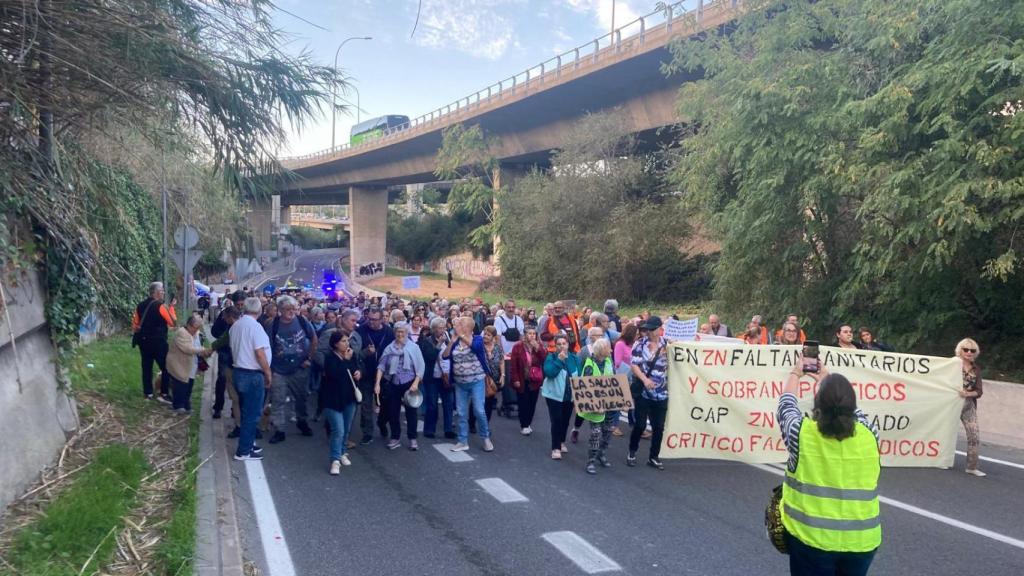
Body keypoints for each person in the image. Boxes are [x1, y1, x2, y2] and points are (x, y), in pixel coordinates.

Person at [778, 364, 881, 575]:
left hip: (812, 540)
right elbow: (855, 413)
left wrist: (796, 373)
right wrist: (827, 378)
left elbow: (786, 406)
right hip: (862, 541)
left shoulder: (801, 433)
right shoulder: (870, 433)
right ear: (852, 404)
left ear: (817, 404)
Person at [267, 295, 318, 444]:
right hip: (279, 370)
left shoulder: (302, 321)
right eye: (287, 309)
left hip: (300, 369)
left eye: (293, 309)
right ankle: (279, 429)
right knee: (278, 400)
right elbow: (267, 345)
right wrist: (269, 368)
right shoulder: (273, 325)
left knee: (301, 398)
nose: (291, 312)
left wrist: (309, 358)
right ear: (280, 310)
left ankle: (302, 422)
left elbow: (314, 339)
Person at [230, 297, 273, 461]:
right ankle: (244, 451)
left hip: (239, 371)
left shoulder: (236, 325)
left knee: (246, 410)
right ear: (260, 310)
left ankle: (247, 442)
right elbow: (260, 353)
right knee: (252, 414)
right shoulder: (255, 327)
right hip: (252, 374)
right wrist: (268, 372)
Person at [443, 316, 494, 452]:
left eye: (460, 324)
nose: (457, 326)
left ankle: (486, 437)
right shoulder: (455, 341)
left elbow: (476, 348)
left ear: (468, 327)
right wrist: (452, 341)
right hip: (460, 383)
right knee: (461, 412)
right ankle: (462, 440)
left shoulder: (477, 339)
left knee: (479, 410)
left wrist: (461, 336)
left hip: (476, 381)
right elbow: (445, 356)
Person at [374, 321, 425, 451]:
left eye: (402, 332)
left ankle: (412, 439)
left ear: (407, 333)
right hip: (393, 383)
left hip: (409, 383)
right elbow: (381, 366)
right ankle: (395, 437)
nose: (400, 334)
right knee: (393, 411)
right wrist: (377, 383)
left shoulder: (413, 347)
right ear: (394, 333)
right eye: (398, 332)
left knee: (411, 412)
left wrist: (415, 383)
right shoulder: (389, 348)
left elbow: (420, 367)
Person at [628, 316, 669, 470]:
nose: (649, 332)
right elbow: (634, 364)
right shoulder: (640, 344)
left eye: (652, 329)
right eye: (647, 329)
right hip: (644, 392)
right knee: (639, 424)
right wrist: (645, 380)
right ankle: (632, 451)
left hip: (661, 392)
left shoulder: (668, 344)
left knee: (658, 426)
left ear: (660, 329)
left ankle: (654, 456)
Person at [321, 331, 361, 475]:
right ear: (335, 343)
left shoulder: (351, 355)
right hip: (332, 398)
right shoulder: (330, 358)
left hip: (349, 397)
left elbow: (356, 368)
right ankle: (335, 460)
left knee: (346, 427)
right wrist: (345, 360)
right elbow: (334, 374)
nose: (346, 344)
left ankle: (343, 452)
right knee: (338, 430)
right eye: (343, 341)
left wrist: (358, 372)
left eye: (347, 341)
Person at [133, 281, 177, 402]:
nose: (163, 292)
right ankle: (163, 393)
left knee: (146, 367)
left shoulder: (140, 305)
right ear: (157, 292)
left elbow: (135, 325)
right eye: (162, 290)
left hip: (144, 341)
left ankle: (148, 393)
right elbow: (173, 322)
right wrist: (172, 308)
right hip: (159, 342)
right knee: (167, 367)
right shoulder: (161, 306)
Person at [580, 338, 617, 475]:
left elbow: (614, 382)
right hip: (596, 408)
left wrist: (622, 402)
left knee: (608, 430)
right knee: (595, 433)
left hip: (609, 405)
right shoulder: (589, 366)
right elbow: (586, 389)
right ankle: (590, 461)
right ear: (602, 350)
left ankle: (601, 454)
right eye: (609, 348)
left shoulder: (608, 361)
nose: (611, 350)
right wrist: (595, 406)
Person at [358, 307, 394, 443]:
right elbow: (354, 351)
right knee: (366, 405)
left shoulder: (389, 332)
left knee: (385, 404)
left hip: (385, 375)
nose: (371, 322)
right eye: (369, 319)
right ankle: (367, 432)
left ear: (381, 319)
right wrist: (365, 352)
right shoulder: (360, 331)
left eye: (374, 320)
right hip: (366, 374)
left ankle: (382, 423)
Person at [542, 334, 581, 460]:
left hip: (569, 396)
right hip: (554, 396)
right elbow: (549, 373)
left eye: (564, 343)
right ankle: (556, 448)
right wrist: (559, 360)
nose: (561, 346)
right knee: (557, 420)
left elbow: (579, 375)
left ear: (568, 345)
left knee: (565, 420)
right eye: (559, 344)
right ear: (555, 345)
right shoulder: (551, 357)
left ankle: (562, 441)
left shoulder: (574, 358)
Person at [166, 315, 211, 414]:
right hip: (178, 364)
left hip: (190, 364)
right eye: (195, 327)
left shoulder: (196, 333)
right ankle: (178, 405)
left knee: (189, 385)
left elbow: (197, 346)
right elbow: (187, 349)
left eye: (198, 327)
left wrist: (203, 351)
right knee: (180, 385)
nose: (197, 330)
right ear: (189, 325)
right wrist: (203, 350)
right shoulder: (182, 333)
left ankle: (186, 405)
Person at [419, 317, 455, 439]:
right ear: (433, 329)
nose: (443, 330)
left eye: (444, 327)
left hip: (446, 376)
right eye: (440, 328)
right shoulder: (427, 341)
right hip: (432, 377)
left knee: (448, 403)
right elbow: (429, 357)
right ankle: (429, 429)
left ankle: (448, 429)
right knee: (432, 404)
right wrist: (439, 343)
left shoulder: (448, 339)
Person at [510, 326, 547, 435]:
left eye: (533, 334)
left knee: (532, 403)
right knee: (523, 403)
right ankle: (524, 425)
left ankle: (528, 423)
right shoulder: (518, 346)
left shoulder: (538, 346)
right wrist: (515, 379)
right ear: (525, 335)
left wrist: (538, 349)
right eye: (529, 333)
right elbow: (513, 365)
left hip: (535, 380)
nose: (532, 335)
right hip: (522, 378)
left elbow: (545, 359)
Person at [956, 338, 985, 477]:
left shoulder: (976, 369)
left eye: (972, 350)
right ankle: (936, 459)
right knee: (941, 431)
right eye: (965, 349)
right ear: (960, 350)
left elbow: (979, 391)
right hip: (950, 404)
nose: (969, 352)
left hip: (968, 405)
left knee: (974, 435)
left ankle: (971, 467)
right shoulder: (951, 365)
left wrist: (967, 393)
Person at [210, 304, 241, 426]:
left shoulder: (235, 326)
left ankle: (237, 414)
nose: (224, 320)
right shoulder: (235, 324)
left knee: (234, 388)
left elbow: (223, 338)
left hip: (235, 359)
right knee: (223, 382)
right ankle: (220, 408)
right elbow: (218, 334)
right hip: (229, 356)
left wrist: (211, 348)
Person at [612, 322, 638, 438]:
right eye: (636, 334)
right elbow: (617, 363)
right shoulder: (620, 344)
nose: (638, 336)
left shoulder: (633, 344)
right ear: (631, 334)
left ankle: (636, 426)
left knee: (632, 402)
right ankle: (614, 425)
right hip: (623, 376)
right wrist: (630, 366)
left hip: (632, 376)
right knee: (619, 402)